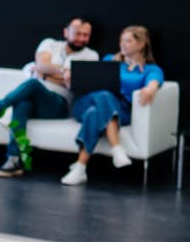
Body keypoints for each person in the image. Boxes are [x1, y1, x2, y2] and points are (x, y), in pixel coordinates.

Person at [0, 17, 97, 177]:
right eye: (78, 33)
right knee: (22, 104)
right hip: (35, 102)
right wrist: (65, 72)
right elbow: (42, 65)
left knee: (33, 84)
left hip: (59, 105)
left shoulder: (91, 56)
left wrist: (45, 74)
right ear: (66, 32)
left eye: (86, 35)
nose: (82, 39)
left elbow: (76, 82)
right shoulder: (49, 44)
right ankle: (14, 159)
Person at [61, 25, 164, 186]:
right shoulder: (110, 60)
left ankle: (80, 168)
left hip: (121, 110)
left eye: (128, 41)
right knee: (102, 95)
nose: (122, 44)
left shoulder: (150, 69)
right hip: (87, 103)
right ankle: (116, 148)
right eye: (121, 41)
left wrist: (150, 88)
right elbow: (92, 81)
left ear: (142, 44)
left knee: (94, 114)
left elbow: (154, 80)